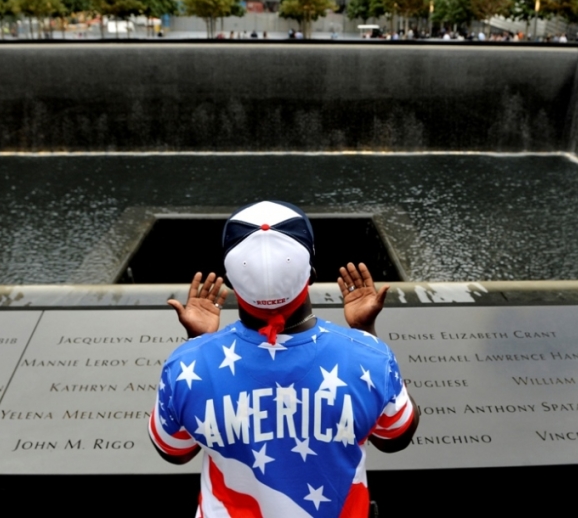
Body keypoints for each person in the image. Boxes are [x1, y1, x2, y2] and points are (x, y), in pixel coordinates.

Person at [149, 201, 419, 517]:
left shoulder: (186, 365)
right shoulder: (369, 357)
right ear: (311, 273)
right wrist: (365, 333)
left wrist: (197, 345)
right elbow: (394, 437)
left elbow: (176, 451)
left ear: (232, 281)